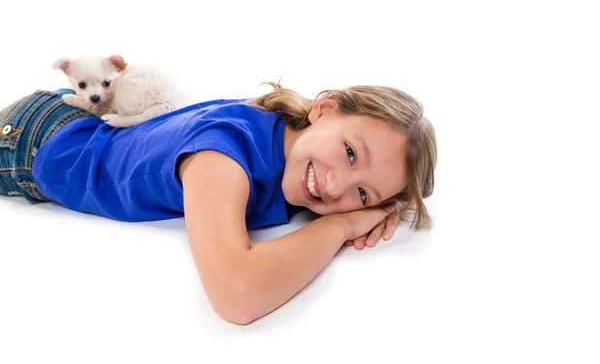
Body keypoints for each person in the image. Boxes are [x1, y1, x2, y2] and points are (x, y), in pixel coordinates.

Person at [0, 83, 437, 324]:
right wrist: (339, 227)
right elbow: (237, 296)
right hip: (34, 145)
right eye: (349, 152)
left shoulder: (291, 144)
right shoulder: (221, 156)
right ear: (324, 109)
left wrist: (380, 210)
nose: (336, 185)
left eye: (362, 193)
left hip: (82, 119)